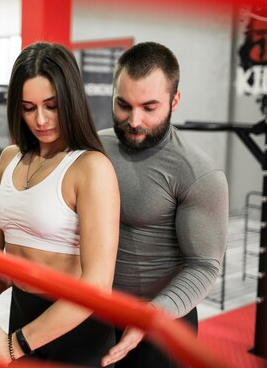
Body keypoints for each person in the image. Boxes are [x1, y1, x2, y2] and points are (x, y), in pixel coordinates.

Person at [0, 41, 120, 366]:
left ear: (69, 101)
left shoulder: (90, 167)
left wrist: (14, 346)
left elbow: (97, 285)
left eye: (51, 105)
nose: (40, 119)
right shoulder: (9, 158)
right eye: (29, 107)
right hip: (23, 310)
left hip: (76, 327)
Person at [98, 42, 229, 368]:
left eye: (149, 107)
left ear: (175, 101)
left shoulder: (198, 172)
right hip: (93, 314)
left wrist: (150, 315)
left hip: (160, 324)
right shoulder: (94, 147)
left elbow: (204, 266)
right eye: (123, 105)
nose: (134, 120)